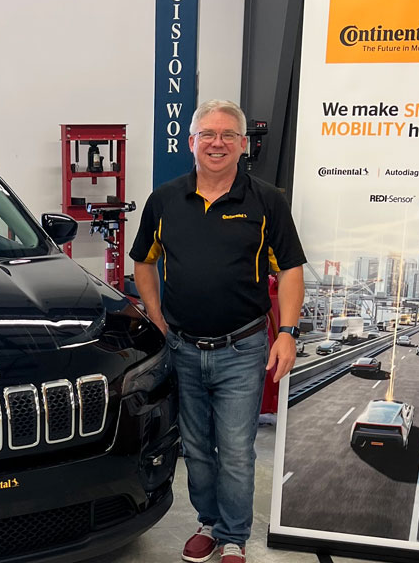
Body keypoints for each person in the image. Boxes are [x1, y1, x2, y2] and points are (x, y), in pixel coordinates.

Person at [129, 100, 306, 563]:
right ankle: (208, 521)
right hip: (182, 347)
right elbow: (143, 260)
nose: (217, 143)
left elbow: (290, 270)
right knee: (196, 450)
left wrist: (287, 331)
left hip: (242, 348)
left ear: (243, 145)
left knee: (233, 450)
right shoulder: (164, 200)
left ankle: (233, 535)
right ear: (192, 142)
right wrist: (156, 315)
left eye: (229, 135)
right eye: (208, 134)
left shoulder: (267, 201)